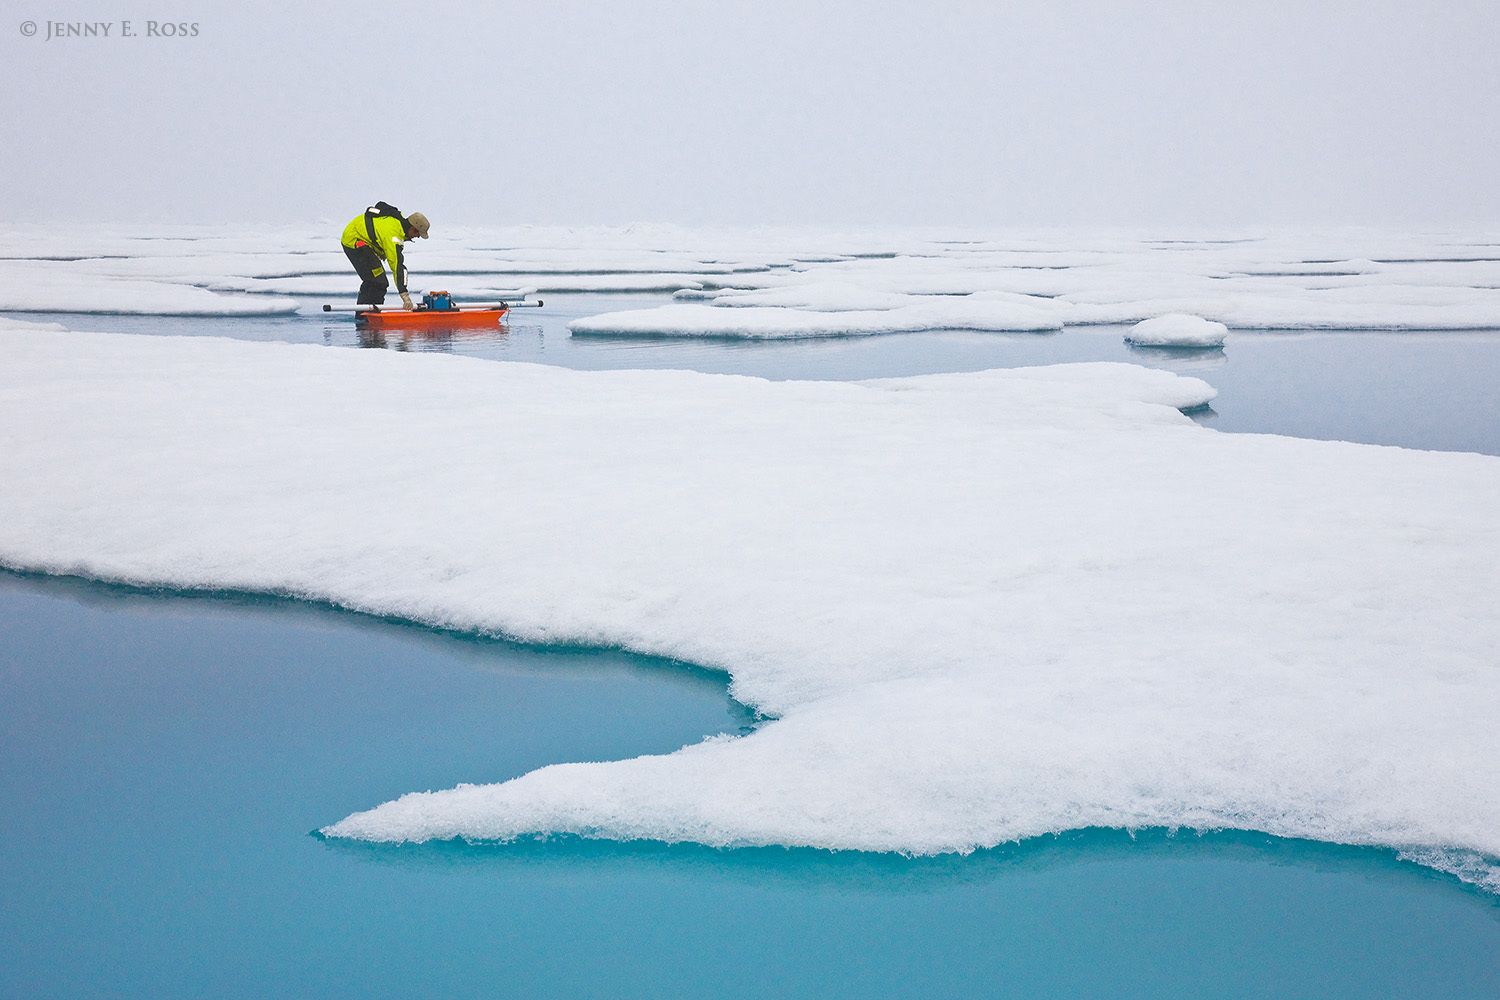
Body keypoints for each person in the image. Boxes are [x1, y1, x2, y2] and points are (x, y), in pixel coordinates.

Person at [340, 202, 430, 307]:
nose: (418, 237)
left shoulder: (398, 225)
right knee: (377, 281)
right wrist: (405, 296)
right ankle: (365, 315)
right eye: (417, 233)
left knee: (378, 281)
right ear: (413, 228)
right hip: (353, 241)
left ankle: (369, 313)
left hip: (362, 239)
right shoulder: (393, 235)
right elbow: (396, 265)